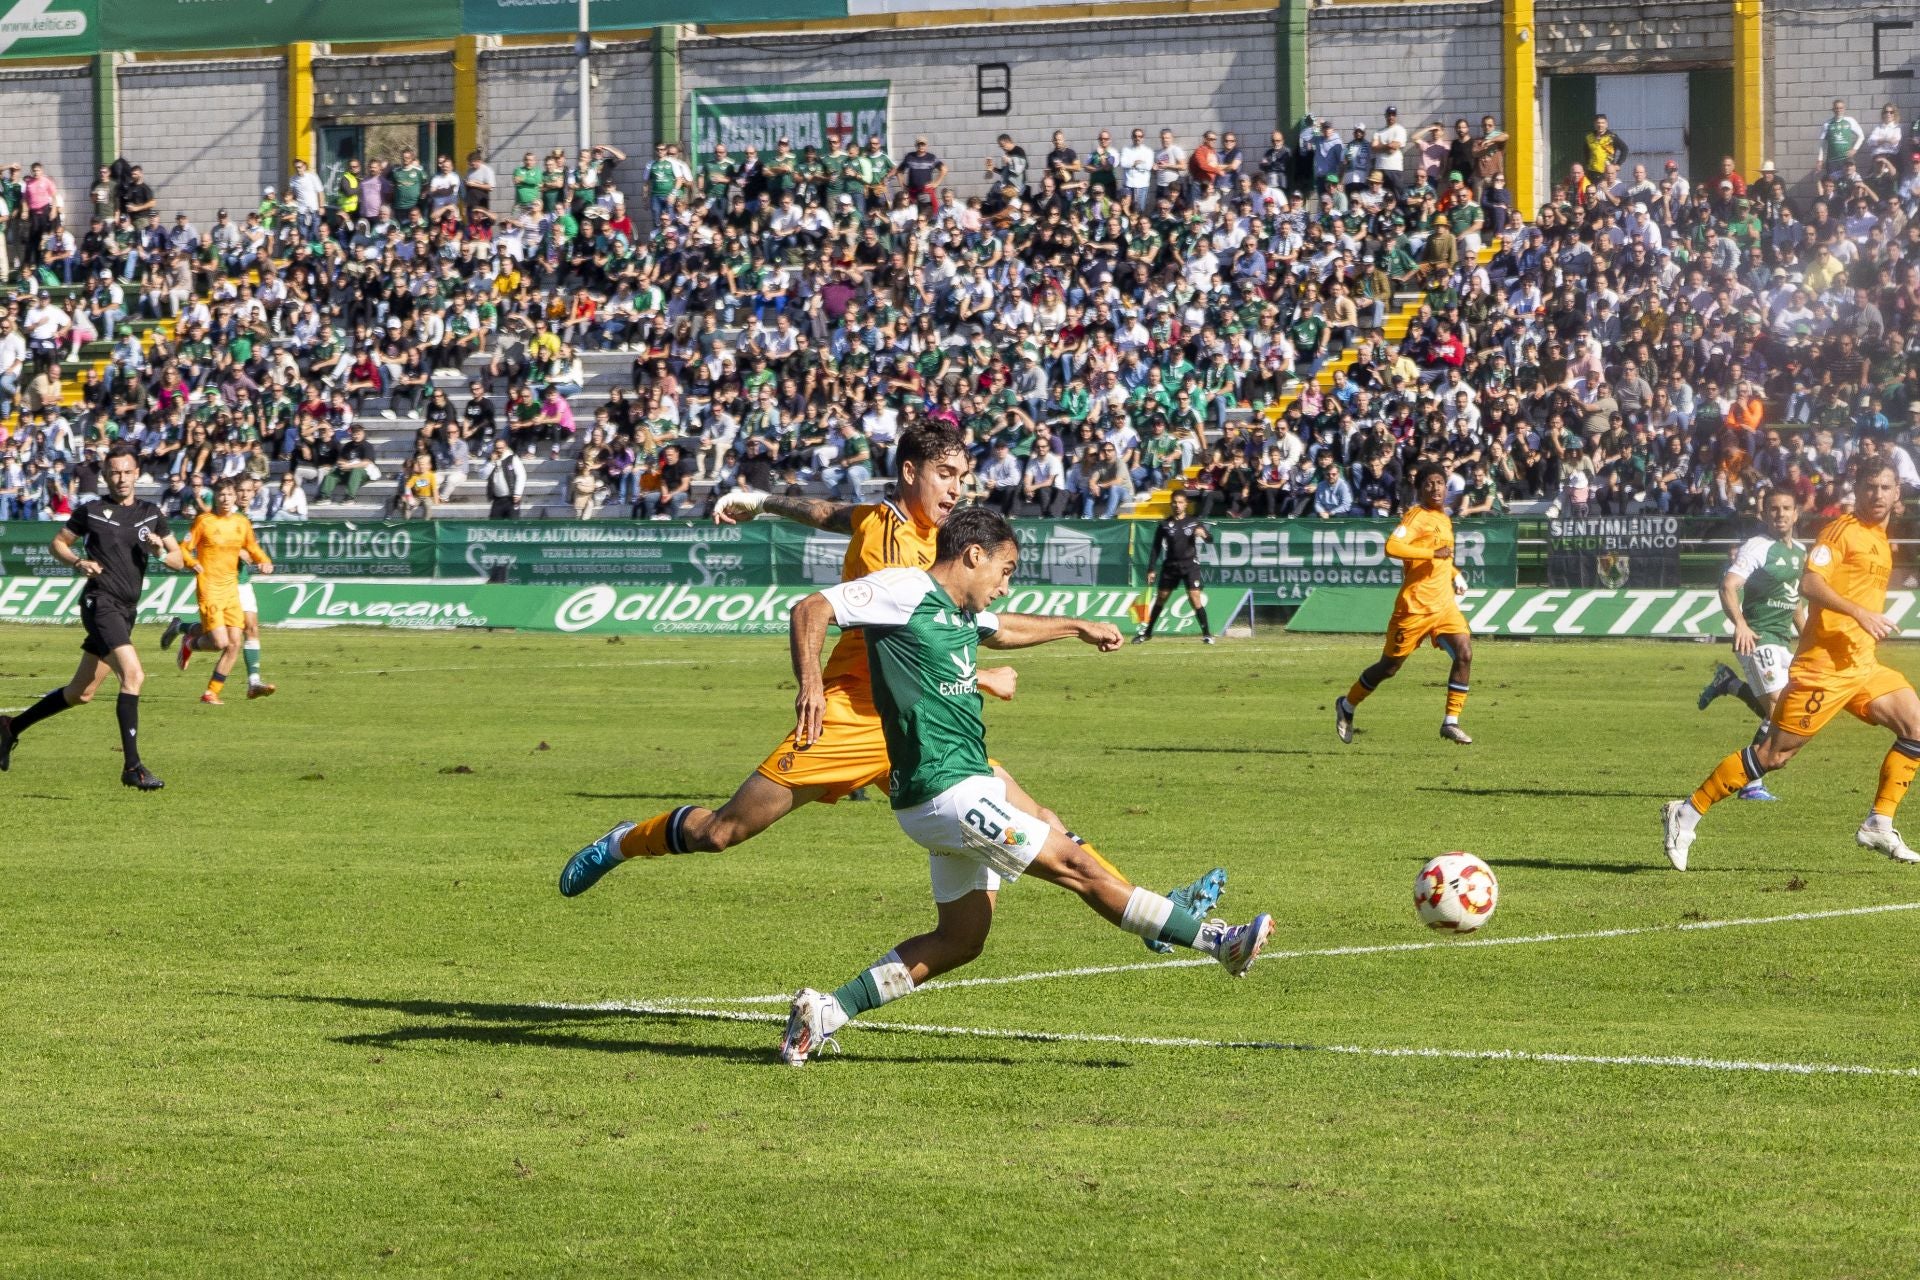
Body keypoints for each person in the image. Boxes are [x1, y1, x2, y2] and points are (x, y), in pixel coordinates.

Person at [555, 425, 1225, 942]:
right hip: (852, 716)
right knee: (721, 832)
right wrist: (830, 683)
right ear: (910, 472)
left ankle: (1157, 918)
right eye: (945, 474)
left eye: (961, 475)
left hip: (916, 730)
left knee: (1039, 817)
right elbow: (901, 619)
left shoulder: (910, 529)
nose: (957, 488)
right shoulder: (899, 553)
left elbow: (833, 513)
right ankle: (622, 840)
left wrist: (761, 501)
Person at [774, 506, 1274, 1065]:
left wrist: (1076, 627)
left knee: (962, 939)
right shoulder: (905, 589)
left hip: (955, 792)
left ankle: (825, 1012)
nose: (1006, 584)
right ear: (973, 555)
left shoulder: (959, 612)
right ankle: (1216, 943)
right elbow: (812, 606)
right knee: (1076, 867)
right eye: (1005, 570)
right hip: (948, 794)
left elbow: (1005, 629)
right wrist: (811, 686)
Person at [1665, 461, 1920, 871]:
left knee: (1916, 728)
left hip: (1862, 664)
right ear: (1856, 489)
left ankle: (1879, 821)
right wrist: (1860, 614)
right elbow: (1810, 584)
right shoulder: (1841, 531)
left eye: (1885, 487)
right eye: (1869, 486)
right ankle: (1687, 812)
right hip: (1825, 669)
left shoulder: (1878, 537)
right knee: (1773, 755)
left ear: (1896, 494)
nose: (1877, 494)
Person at [0, 446, 185, 790]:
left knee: (80, 693)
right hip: (100, 603)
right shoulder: (92, 511)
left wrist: (161, 552)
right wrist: (77, 562)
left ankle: (10, 728)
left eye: (127, 471)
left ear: (136, 473)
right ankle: (133, 767)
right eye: (114, 472)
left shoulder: (150, 513)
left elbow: (178, 560)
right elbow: (58, 543)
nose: (121, 478)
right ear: (105, 475)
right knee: (133, 674)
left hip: (127, 611)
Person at [1335, 464, 1475, 746]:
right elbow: (1392, 547)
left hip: (1443, 606)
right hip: (1414, 607)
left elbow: (1442, 559)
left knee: (1465, 652)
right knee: (1389, 668)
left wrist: (1455, 574)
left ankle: (1451, 722)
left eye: (1440, 482)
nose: (1436, 488)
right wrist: (1431, 552)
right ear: (1419, 488)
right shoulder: (1416, 517)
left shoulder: (1444, 518)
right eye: (1429, 483)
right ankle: (1347, 705)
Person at [1696, 489, 1806, 802]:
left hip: (1782, 642)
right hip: (1757, 638)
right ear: (1764, 514)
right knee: (1778, 710)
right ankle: (1751, 782)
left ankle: (1728, 684)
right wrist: (1741, 624)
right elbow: (1728, 586)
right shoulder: (1757, 548)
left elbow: (1794, 601)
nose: (1780, 514)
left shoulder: (1800, 552)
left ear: (1796, 513)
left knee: (1787, 713)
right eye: (1774, 509)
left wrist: (1810, 640)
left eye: (1786, 507)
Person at [165, 477, 274, 706]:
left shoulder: (241, 523)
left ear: (235, 497)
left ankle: (211, 692)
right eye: (221, 495)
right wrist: (190, 562)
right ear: (215, 496)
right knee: (220, 642)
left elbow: (252, 547)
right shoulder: (203, 521)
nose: (226, 499)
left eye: (229, 495)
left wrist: (264, 561)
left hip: (231, 589)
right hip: (210, 588)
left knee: (234, 643)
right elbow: (183, 548)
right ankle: (189, 643)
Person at [1133, 489, 1215, 645]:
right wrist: (1151, 569)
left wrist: (1205, 535)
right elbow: (1156, 547)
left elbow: (1210, 539)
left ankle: (1207, 634)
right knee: (1161, 598)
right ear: (1171, 504)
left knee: (1194, 597)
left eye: (1180, 502)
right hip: (1171, 566)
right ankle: (1147, 633)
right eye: (1174, 502)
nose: (1177, 505)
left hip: (1190, 565)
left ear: (1186, 504)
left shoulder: (1194, 522)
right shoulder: (1164, 524)